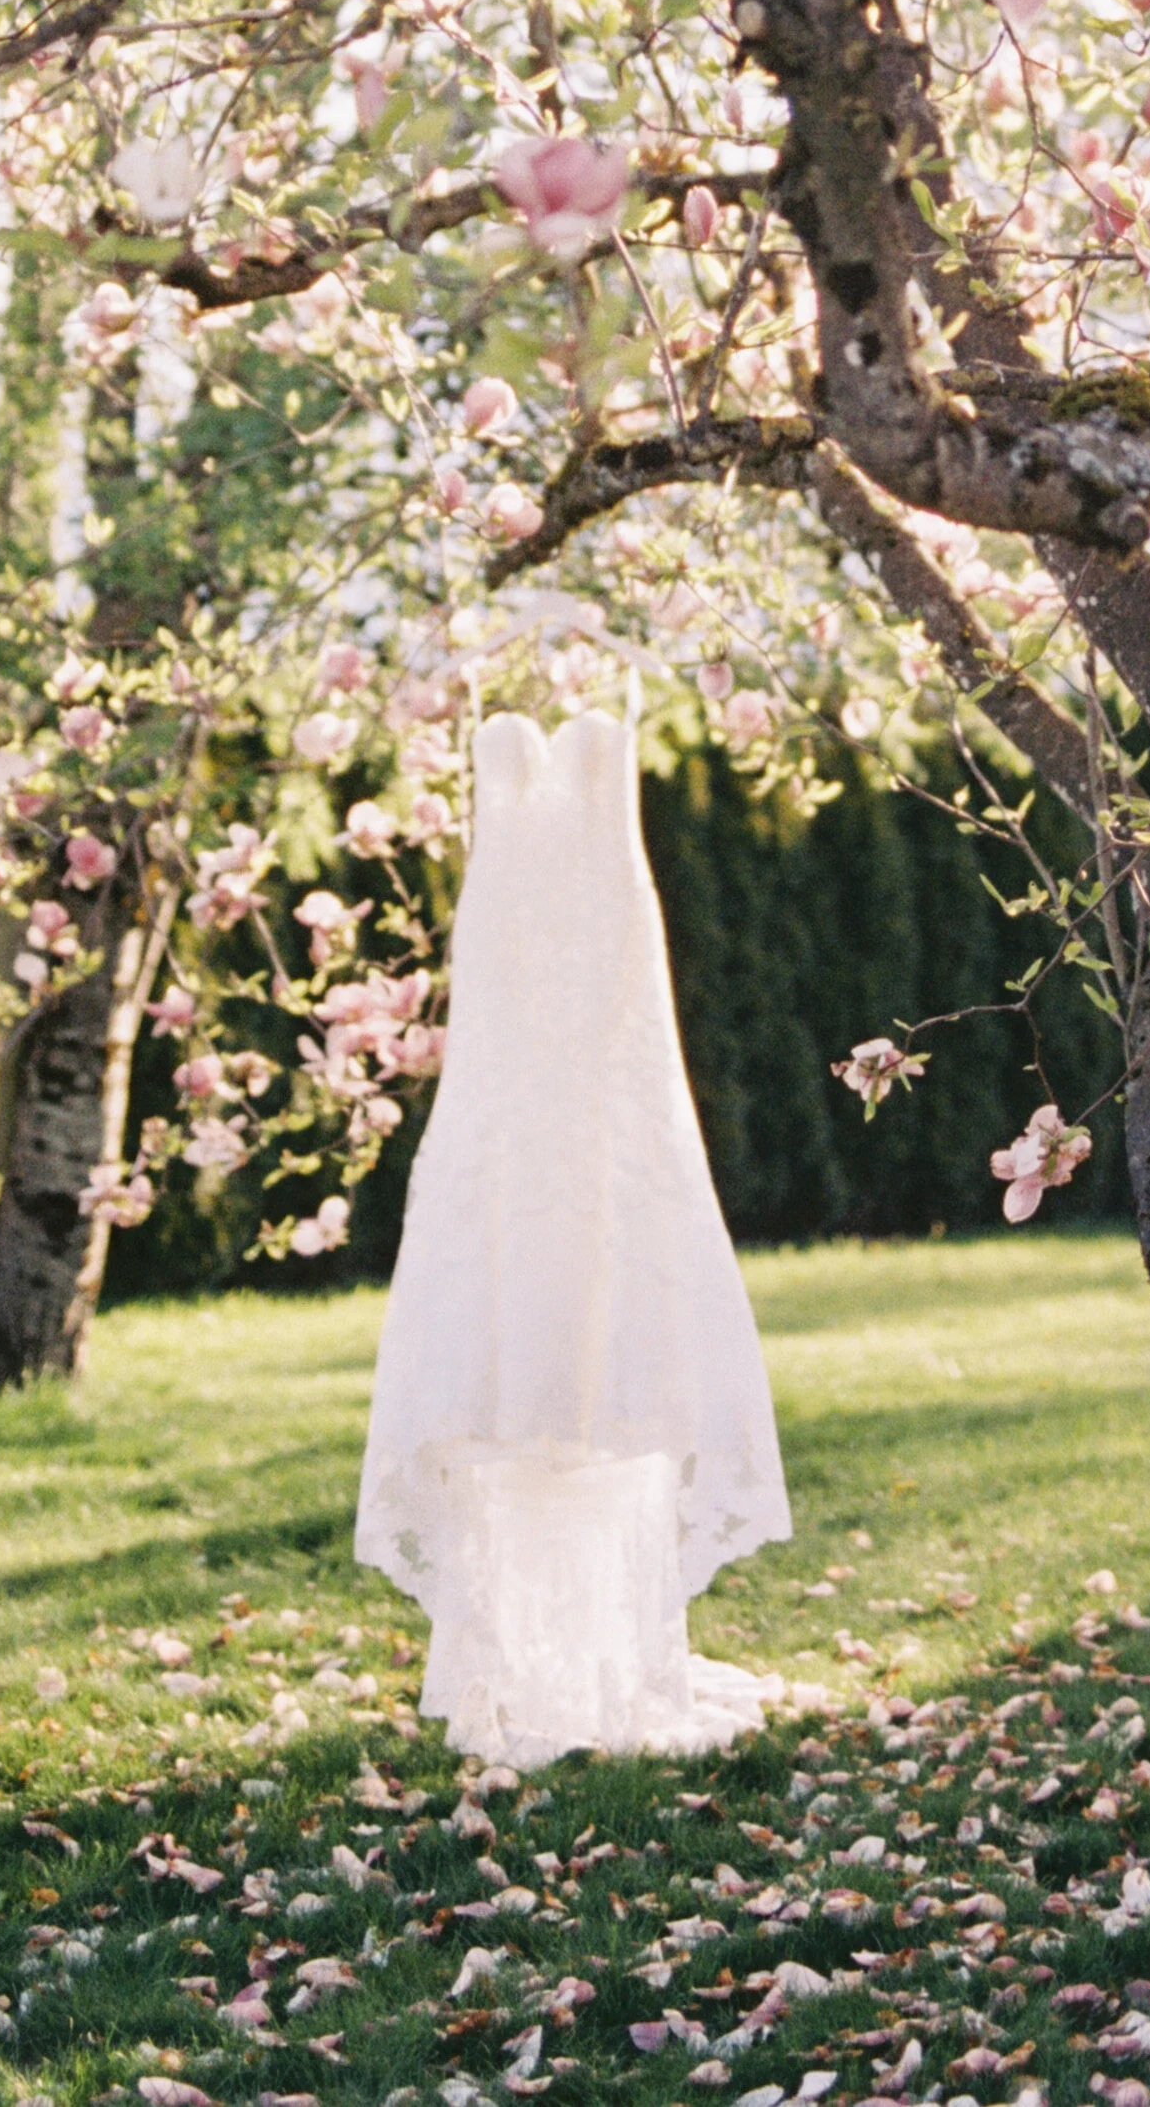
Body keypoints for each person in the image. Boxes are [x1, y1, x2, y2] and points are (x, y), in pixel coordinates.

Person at [356, 699, 790, 1764]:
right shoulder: (481, 721)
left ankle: (617, 1655)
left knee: (607, 1313)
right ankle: (508, 1661)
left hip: (607, 1058)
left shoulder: (620, 720)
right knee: (506, 1334)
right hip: (505, 1072)